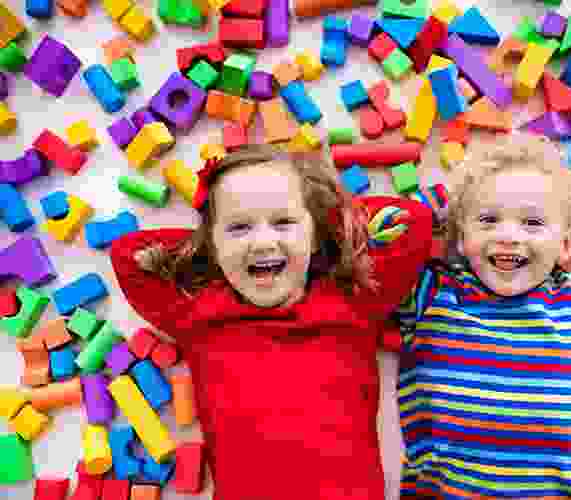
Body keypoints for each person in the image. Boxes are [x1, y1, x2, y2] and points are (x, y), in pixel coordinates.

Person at [110, 144, 434, 500]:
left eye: (283, 222)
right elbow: (126, 255)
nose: (263, 242)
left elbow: (413, 221)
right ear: (212, 246)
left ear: (315, 235)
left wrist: (325, 220)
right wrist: (209, 248)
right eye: (239, 227)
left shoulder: (352, 300)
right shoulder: (200, 315)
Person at [388, 135, 571, 499]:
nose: (508, 236)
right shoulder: (432, 295)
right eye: (488, 219)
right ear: (462, 239)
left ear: (565, 246)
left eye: (532, 222)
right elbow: (368, 249)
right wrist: (448, 199)